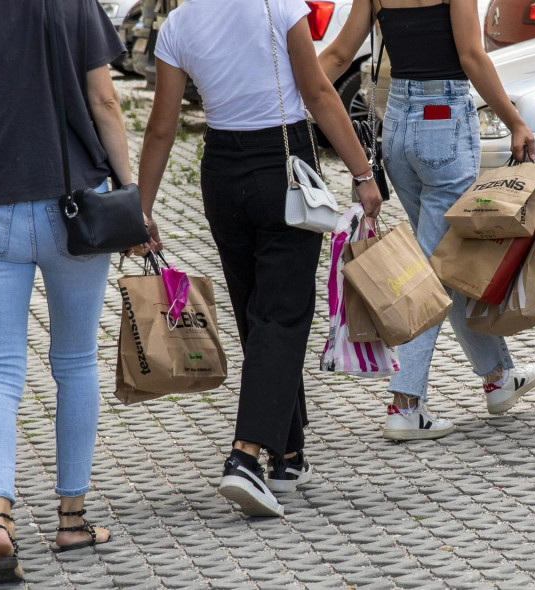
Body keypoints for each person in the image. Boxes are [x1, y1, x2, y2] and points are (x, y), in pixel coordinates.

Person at [0, 0, 145, 584]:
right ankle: (71, 520)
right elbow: (105, 101)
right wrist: (133, 200)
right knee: (74, 362)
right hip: (76, 214)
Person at [137, 0, 382, 517]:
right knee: (282, 314)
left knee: (258, 312)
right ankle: (246, 456)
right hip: (283, 166)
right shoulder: (279, 3)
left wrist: (142, 208)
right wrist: (362, 175)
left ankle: (288, 455)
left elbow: (161, 127)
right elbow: (317, 90)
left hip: (222, 173)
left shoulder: (179, 24)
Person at [320, 0, 535, 441]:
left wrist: (288, 99)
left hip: (398, 125)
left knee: (444, 257)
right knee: (432, 270)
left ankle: (498, 376)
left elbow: (339, 56)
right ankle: (406, 403)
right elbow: (471, 56)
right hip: (444, 123)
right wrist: (514, 120)